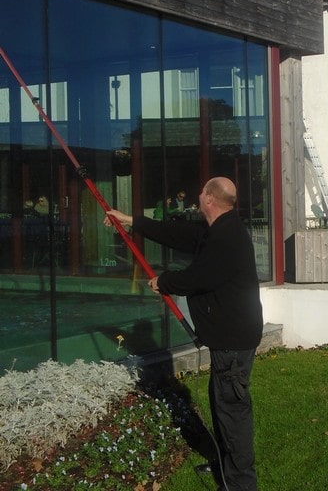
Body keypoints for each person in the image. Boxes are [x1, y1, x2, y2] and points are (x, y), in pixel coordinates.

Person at [105, 177, 262, 491]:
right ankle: (227, 466)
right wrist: (132, 221)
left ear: (210, 199)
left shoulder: (227, 237)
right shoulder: (216, 229)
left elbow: (200, 277)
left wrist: (165, 282)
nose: (198, 194)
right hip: (229, 340)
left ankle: (241, 484)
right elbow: (177, 234)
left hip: (233, 342)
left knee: (232, 412)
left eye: (202, 191)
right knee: (223, 406)